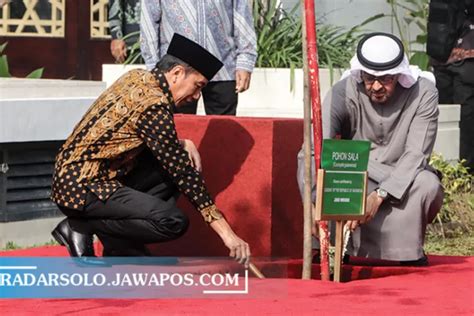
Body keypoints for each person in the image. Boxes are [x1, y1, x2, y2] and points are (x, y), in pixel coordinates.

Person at [50, 33, 251, 266]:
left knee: (171, 164)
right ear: (176, 73)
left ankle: (122, 248)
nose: (196, 96)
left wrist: (183, 143)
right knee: (173, 221)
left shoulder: (137, 77)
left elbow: (145, 140)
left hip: (75, 177)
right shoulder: (154, 105)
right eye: (197, 86)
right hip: (83, 186)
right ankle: (80, 226)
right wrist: (227, 233)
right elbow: (184, 174)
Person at [297, 33, 444, 265]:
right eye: (369, 77)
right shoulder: (343, 91)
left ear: (399, 75)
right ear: (360, 73)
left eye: (385, 79)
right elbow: (314, 148)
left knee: (428, 184)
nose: (375, 86)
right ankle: (333, 245)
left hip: (401, 179)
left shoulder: (423, 92)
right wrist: (311, 202)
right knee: (320, 162)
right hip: (357, 173)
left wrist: (379, 195)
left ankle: (404, 253)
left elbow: (417, 154)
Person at [140, 0, 257, 115]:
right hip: (178, 71)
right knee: (178, 127)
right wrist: (154, 68)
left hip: (223, 67)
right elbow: (149, 19)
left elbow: (242, 11)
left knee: (223, 130)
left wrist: (245, 60)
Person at [427, 0, 474, 173]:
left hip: (468, 58)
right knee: (442, 114)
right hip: (441, 51)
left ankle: (465, 171)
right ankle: (442, 167)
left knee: (466, 116)